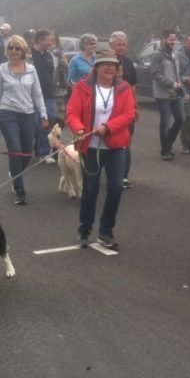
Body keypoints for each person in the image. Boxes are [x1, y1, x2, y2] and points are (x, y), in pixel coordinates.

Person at [66, 49, 136, 250]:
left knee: (115, 188)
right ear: (96, 68)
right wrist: (79, 128)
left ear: (117, 69)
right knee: (90, 190)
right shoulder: (83, 87)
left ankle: (106, 231)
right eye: (104, 64)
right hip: (91, 147)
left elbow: (130, 114)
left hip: (116, 146)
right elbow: (72, 113)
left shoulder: (124, 88)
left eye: (112, 65)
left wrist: (108, 128)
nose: (109, 68)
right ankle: (84, 230)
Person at [0, 35, 49, 206]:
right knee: (15, 149)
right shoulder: (1, 71)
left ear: (23, 51)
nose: (13, 51)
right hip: (7, 113)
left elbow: (37, 94)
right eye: (11, 48)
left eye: (17, 48)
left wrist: (43, 115)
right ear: (7, 51)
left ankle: (15, 172)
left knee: (27, 151)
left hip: (28, 114)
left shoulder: (31, 70)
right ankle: (20, 189)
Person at [150, 28, 184, 160]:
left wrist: (180, 85)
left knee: (181, 119)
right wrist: (169, 83)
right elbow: (154, 74)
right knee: (165, 121)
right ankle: (165, 151)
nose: (173, 42)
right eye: (171, 39)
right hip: (162, 93)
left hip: (175, 92)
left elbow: (177, 73)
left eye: (174, 39)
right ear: (163, 39)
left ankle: (168, 143)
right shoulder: (157, 55)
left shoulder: (174, 54)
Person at [110, 30, 137, 188]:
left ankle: (123, 175)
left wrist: (136, 106)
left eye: (124, 45)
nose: (121, 47)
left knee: (125, 142)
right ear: (111, 45)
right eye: (118, 44)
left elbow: (133, 86)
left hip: (126, 109)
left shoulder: (128, 63)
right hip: (107, 109)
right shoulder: (104, 62)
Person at [30, 29, 58, 162]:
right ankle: (37, 147)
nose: (51, 43)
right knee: (36, 124)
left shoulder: (50, 56)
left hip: (48, 95)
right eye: (49, 40)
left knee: (48, 121)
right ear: (40, 40)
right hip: (31, 95)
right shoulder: (29, 55)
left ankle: (44, 152)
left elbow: (54, 74)